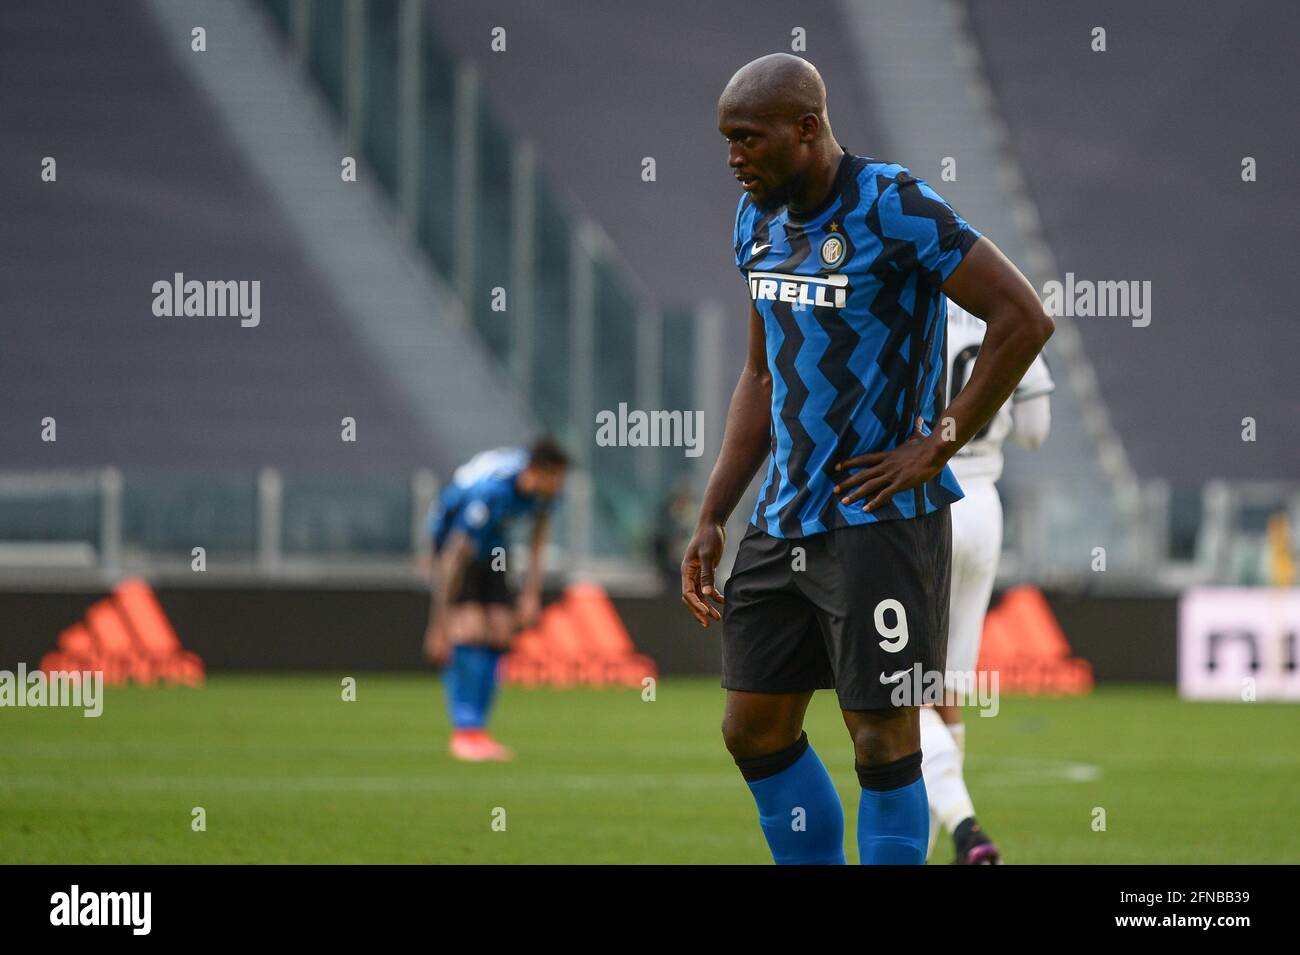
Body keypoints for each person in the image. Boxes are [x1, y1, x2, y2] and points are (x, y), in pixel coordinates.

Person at [680, 53, 1054, 864]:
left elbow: (1023, 317)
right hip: (783, 518)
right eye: (726, 140)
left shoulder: (892, 203)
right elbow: (758, 370)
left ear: (807, 129)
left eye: (748, 138)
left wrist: (940, 440)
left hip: (880, 521)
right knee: (751, 727)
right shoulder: (757, 219)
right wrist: (714, 512)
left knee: (882, 737)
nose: (734, 157)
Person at [920, 300, 1053, 864]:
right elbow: (1035, 433)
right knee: (947, 685)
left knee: (891, 684)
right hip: (985, 506)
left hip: (923, 500)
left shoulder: (906, 301)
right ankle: (923, 848)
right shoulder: (1006, 306)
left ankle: (964, 826)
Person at [425, 438, 568, 761]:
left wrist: (531, 594)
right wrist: (439, 623)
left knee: (502, 632)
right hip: (454, 549)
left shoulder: (544, 494)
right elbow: (456, 554)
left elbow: (538, 536)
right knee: (471, 629)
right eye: (557, 478)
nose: (560, 487)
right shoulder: (492, 494)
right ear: (539, 472)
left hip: (494, 550)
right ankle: (464, 731)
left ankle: (480, 731)